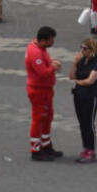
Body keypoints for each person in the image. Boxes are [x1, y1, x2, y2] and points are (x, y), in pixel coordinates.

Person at [25, 25, 62, 161]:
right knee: (39, 118)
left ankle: (46, 145)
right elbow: (42, 73)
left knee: (47, 117)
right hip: (38, 90)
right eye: (51, 41)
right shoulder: (36, 53)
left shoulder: (41, 48)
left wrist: (51, 63)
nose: (52, 43)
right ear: (43, 40)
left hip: (45, 89)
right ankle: (36, 149)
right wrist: (52, 67)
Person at [69, 37, 97, 163]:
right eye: (81, 47)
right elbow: (71, 76)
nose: (81, 50)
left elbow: (90, 81)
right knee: (82, 123)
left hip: (90, 97)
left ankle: (91, 150)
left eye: (84, 48)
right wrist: (74, 63)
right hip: (78, 95)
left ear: (91, 50)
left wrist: (78, 81)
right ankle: (85, 148)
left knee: (89, 124)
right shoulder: (81, 61)